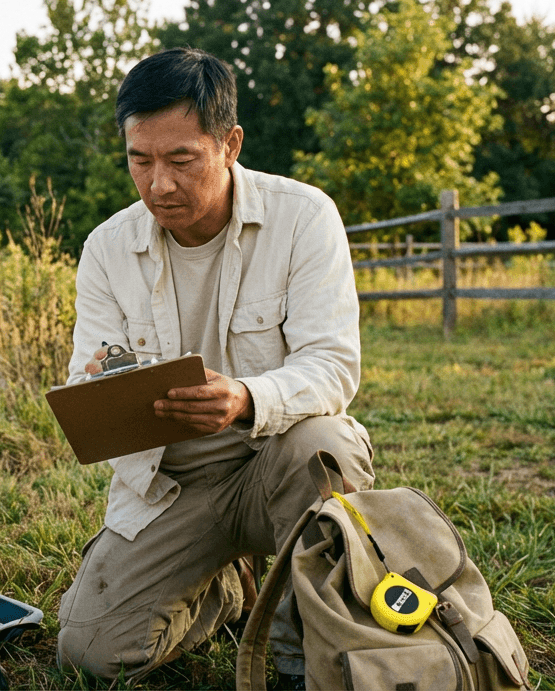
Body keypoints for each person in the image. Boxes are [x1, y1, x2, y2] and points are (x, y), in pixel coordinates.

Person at [55, 48, 375, 684]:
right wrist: (100, 393)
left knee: (328, 444)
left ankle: (304, 653)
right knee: (90, 652)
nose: (158, 185)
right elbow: (85, 384)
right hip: (171, 485)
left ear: (230, 145)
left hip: (274, 461)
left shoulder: (304, 217)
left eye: (181, 161)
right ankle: (226, 589)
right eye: (139, 160)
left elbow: (333, 364)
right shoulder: (107, 248)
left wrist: (247, 398)